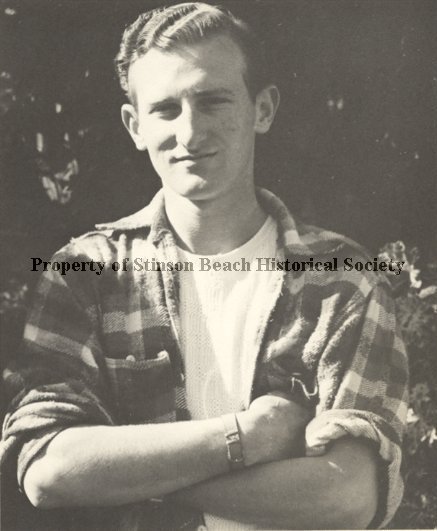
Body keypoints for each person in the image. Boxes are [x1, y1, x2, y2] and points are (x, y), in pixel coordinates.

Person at [1, 3, 408, 530]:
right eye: (166, 109)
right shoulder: (86, 274)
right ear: (134, 126)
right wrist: (248, 436)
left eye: (213, 101)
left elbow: (346, 497)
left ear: (263, 110)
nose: (190, 133)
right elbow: (49, 470)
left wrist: (126, 477)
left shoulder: (343, 280)